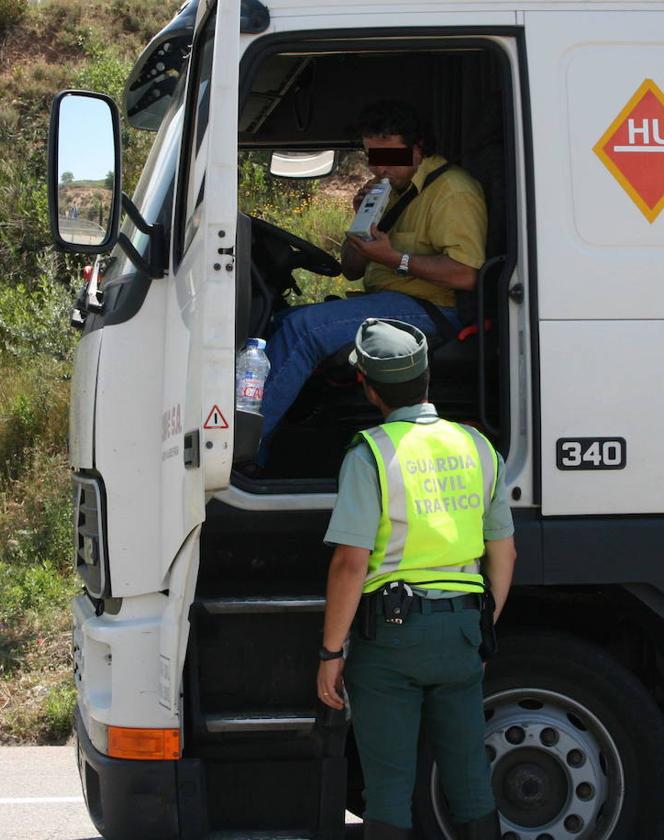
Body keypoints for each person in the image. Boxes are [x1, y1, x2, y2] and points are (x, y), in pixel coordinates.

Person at [316, 318, 516, 839]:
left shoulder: (371, 454)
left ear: (368, 387)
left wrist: (331, 653)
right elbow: (505, 551)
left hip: (392, 639)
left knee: (388, 789)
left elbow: (350, 564)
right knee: (470, 779)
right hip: (462, 632)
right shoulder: (477, 446)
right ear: (427, 378)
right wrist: (481, 621)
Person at [255, 100, 488, 466]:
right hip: (391, 302)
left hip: (435, 311)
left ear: (418, 148)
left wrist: (396, 258)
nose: (378, 167)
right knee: (281, 323)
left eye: (387, 156)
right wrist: (362, 220)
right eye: (371, 157)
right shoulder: (390, 190)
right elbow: (350, 269)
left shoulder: (452, 191)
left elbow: (467, 274)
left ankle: (243, 452)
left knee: (302, 330)